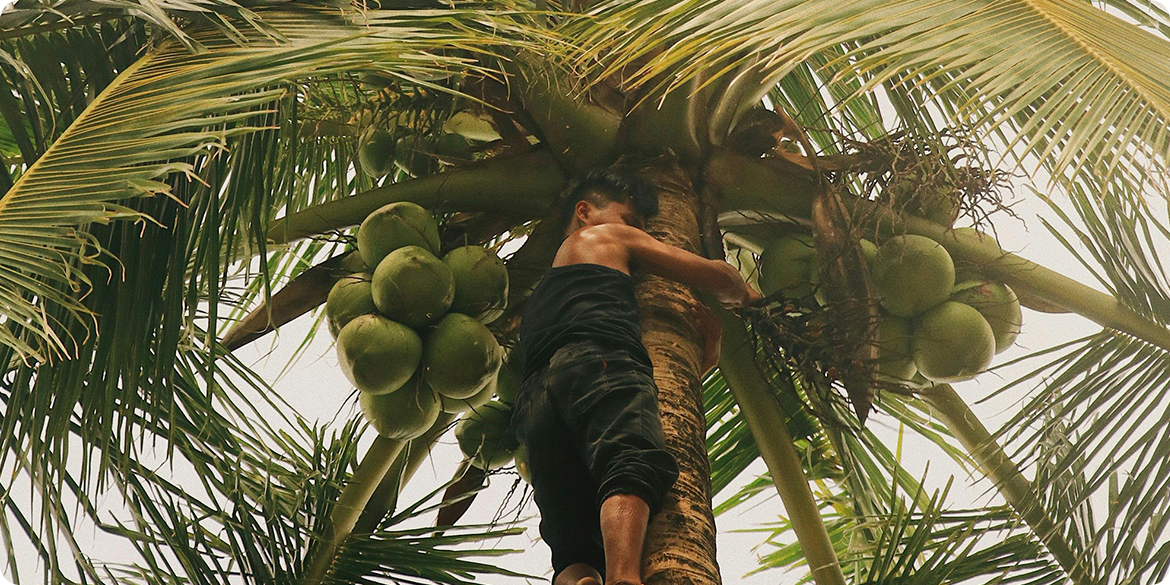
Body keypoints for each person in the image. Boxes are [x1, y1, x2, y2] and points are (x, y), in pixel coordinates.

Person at [510, 169, 763, 585]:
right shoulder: (603, 237)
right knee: (631, 463)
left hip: (536, 404)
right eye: (630, 220)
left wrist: (708, 353)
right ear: (585, 211)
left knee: (572, 548)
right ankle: (624, 579)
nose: (637, 234)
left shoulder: (544, 296)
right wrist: (748, 296)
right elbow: (720, 276)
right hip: (598, 360)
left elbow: (629, 390)